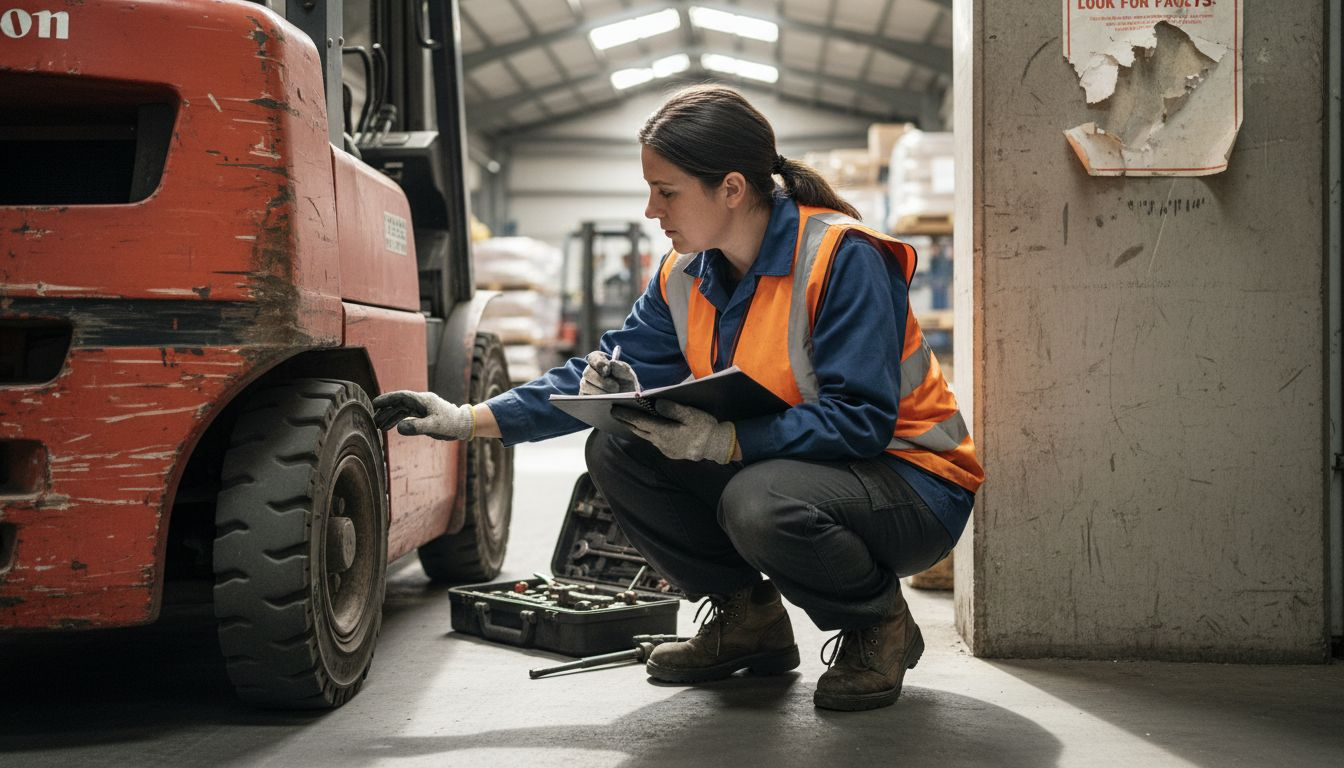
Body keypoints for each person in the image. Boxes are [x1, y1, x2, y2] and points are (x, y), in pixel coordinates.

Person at [373, 84, 983, 712]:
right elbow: (598, 371)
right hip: (811, 472)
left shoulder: (842, 257)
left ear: (732, 189)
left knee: (758, 501)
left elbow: (861, 420)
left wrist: (729, 442)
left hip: (914, 484)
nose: (649, 210)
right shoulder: (685, 272)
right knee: (618, 448)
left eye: (666, 191)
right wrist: (471, 418)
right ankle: (750, 620)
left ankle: (876, 623)